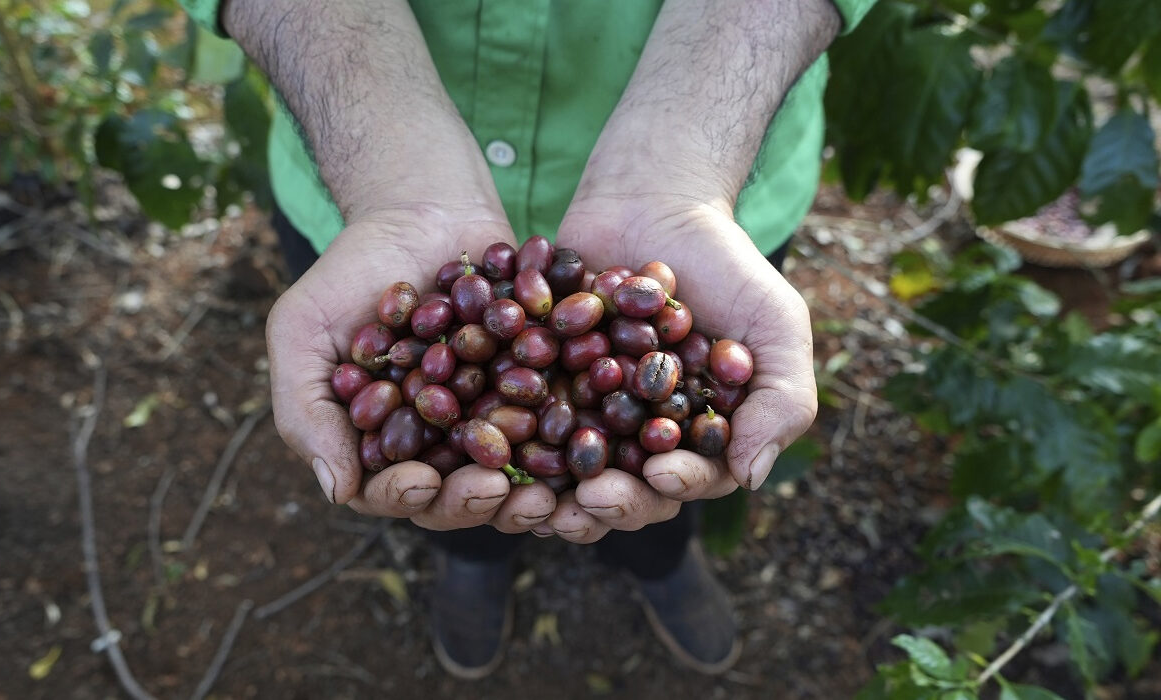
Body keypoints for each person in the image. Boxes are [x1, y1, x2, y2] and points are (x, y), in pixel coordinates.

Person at [180, 0, 875, 680]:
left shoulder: (627, 332)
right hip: (364, 198)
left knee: (654, 482)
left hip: (709, 188)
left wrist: (685, 177)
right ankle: (473, 561)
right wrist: (388, 179)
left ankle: (659, 563)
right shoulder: (462, 349)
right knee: (454, 484)